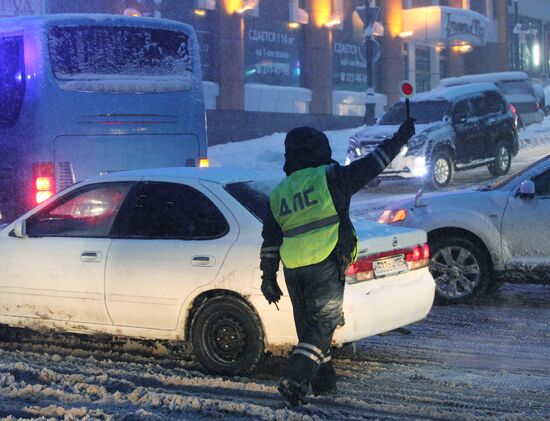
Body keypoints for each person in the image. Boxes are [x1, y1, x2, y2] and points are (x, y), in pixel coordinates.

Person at [259, 118, 416, 406]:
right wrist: (401, 136)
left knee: (309, 328)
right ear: (320, 150)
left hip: (293, 267)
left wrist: (268, 278)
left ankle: (323, 385)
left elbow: (270, 241)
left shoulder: (279, 192)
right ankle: (295, 377)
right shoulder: (330, 177)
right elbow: (374, 164)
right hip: (324, 260)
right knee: (325, 323)